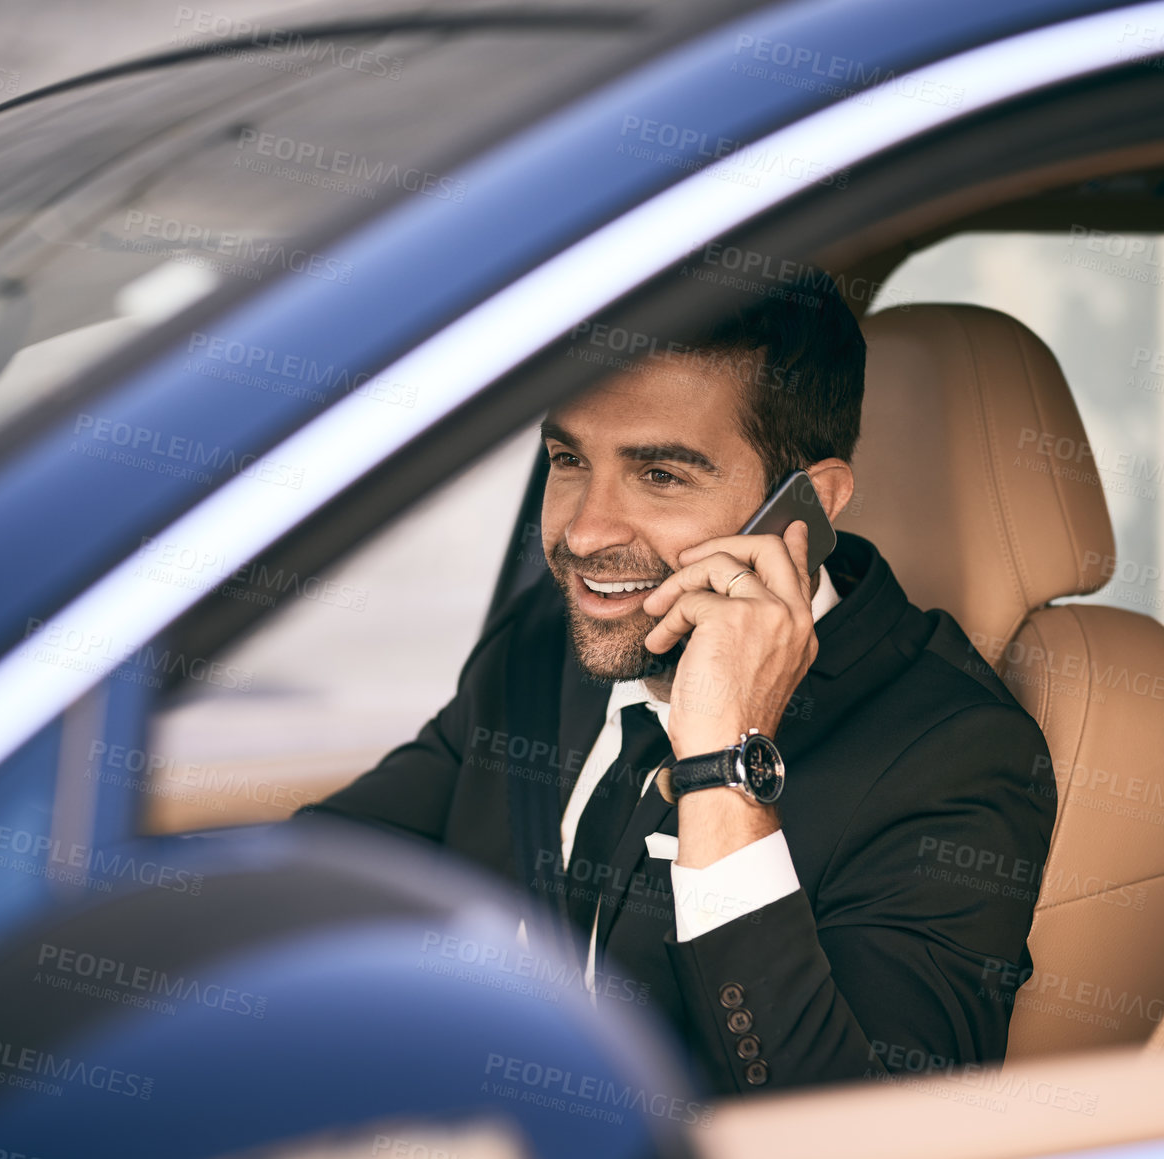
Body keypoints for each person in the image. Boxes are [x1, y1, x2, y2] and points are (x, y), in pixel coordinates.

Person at [300, 278, 1055, 1095]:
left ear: (809, 504)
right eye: (568, 460)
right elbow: (325, 874)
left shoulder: (956, 754)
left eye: (659, 475)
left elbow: (854, 1132)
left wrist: (723, 767)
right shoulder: (545, 640)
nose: (584, 533)